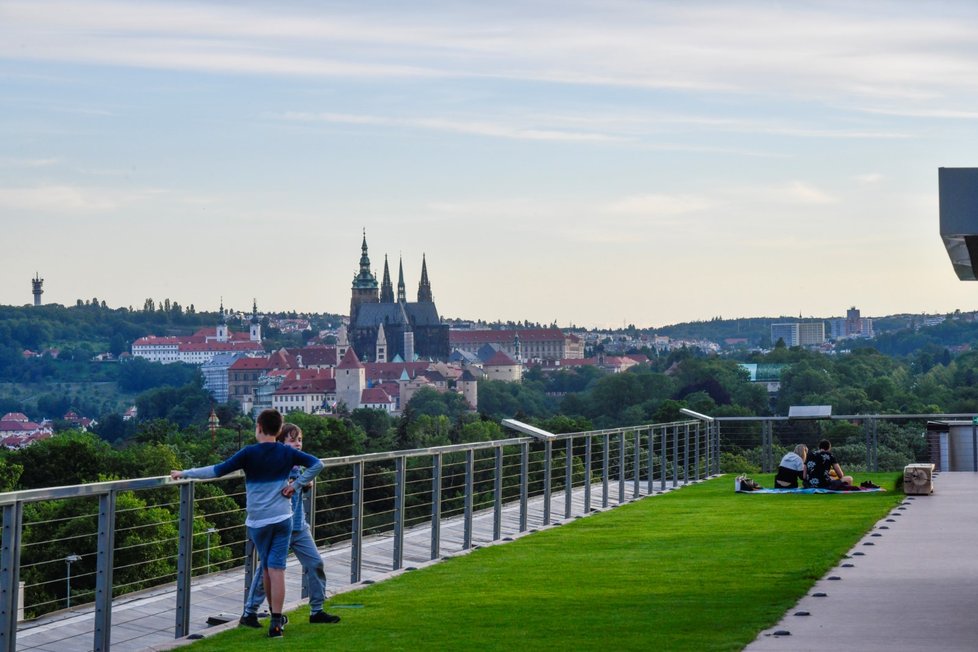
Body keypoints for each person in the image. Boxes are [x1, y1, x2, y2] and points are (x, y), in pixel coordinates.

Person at [170, 409, 323, 638]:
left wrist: (185, 473)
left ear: (259, 427)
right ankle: (276, 623)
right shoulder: (286, 452)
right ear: (279, 430)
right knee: (277, 569)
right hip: (283, 518)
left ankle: (268, 614)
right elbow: (317, 464)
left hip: (258, 521)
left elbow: (216, 470)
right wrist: (297, 485)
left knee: (267, 570)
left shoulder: (248, 453)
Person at [240, 423, 340, 627]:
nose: (298, 444)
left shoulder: (298, 465)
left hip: (298, 526)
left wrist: (301, 484)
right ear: (280, 442)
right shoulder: (276, 464)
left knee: (315, 564)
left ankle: (317, 611)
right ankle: (249, 613)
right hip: (279, 527)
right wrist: (299, 482)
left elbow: (300, 483)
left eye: (300, 440)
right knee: (265, 572)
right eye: (292, 440)